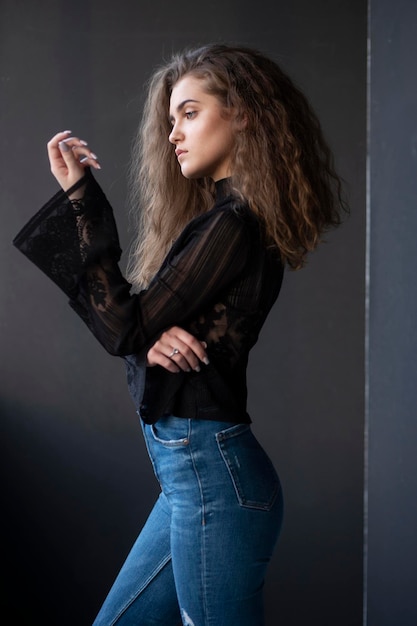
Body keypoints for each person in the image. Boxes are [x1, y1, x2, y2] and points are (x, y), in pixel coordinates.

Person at [13, 43, 346, 626]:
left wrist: (82, 199)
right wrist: (144, 335)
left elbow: (123, 326)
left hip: (214, 483)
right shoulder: (223, 220)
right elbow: (133, 329)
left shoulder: (233, 223)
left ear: (242, 112)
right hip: (196, 485)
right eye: (171, 121)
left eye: (189, 113)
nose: (173, 135)